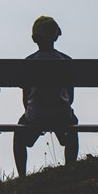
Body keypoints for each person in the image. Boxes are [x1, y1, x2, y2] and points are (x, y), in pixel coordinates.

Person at [14, 15, 79, 177]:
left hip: (36, 115)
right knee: (73, 123)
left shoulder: (28, 63)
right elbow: (70, 98)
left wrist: (34, 113)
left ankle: (22, 176)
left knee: (19, 133)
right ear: (56, 36)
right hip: (62, 115)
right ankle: (70, 169)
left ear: (34, 39)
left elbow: (25, 98)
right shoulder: (66, 61)